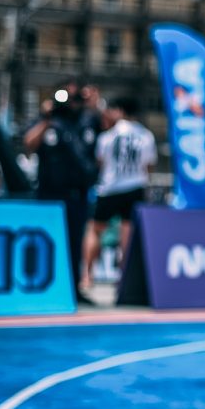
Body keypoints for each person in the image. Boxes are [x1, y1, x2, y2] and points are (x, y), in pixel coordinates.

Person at [22, 82, 98, 302]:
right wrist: (47, 117)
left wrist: (91, 104)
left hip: (77, 194)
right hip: (48, 195)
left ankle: (74, 290)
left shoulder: (87, 120)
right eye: (67, 97)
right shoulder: (48, 121)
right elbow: (28, 143)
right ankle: (41, 289)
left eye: (76, 98)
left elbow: (109, 128)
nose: (71, 103)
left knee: (74, 243)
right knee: (45, 242)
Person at [79, 97, 157, 292]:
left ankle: (87, 275)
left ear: (120, 111)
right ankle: (123, 279)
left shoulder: (108, 135)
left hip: (110, 188)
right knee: (127, 235)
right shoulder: (146, 135)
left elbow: (100, 162)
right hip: (135, 187)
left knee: (94, 230)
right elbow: (148, 166)